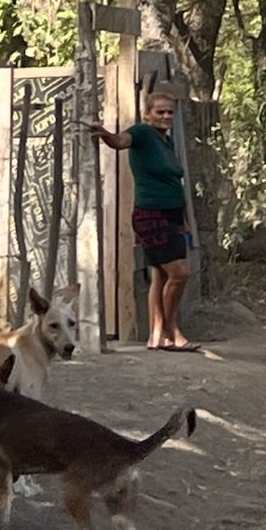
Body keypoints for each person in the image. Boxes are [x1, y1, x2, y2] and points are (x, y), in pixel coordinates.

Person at [89, 93, 201, 352]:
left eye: (170, 112)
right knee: (180, 273)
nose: (165, 116)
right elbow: (119, 141)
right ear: (147, 114)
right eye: (160, 112)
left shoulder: (167, 142)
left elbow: (175, 182)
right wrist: (104, 133)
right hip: (151, 214)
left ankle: (156, 336)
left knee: (160, 276)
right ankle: (173, 330)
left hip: (173, 215)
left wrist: (183, 220)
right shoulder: (141, 133)